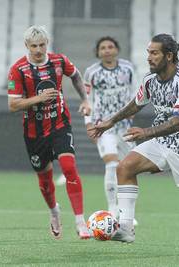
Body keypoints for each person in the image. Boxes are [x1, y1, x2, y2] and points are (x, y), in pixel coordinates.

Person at [89, 34, 179, 254]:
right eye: (148, 52)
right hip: (162, 141)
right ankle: (126, 227)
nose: (149, 57)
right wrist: (110, 121)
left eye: (154, 53)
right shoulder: (150, 80)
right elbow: (136, 104)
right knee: (125, 167)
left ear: (169, 55)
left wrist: (146, 132)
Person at [7, 25, 92, 239]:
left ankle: (81, 222)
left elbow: (76, 76)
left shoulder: (59, 61)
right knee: (45, 182)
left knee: (69, 167)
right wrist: (39, 98)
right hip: (34, 133)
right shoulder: (18, 69)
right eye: (34, 46)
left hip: (59, 124)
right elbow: (13, 105)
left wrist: (85, 99)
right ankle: (54, 211)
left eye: (42, 45)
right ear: (26, 46)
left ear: (47, 43)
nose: (38, 49)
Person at [58, 36, 138, 225]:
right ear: (98, 52)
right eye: (103, 48)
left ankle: (127, 213)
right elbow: (88, 98)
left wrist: (133, 113)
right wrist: (88, 123)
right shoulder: (92, 72)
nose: (107, 50)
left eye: (111, 46)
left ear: (117, 49)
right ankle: (112, 209)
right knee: (111, 163)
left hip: (124, 126)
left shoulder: (128, 68)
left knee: (130, 168)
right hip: (103, 125)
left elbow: (135, 92)